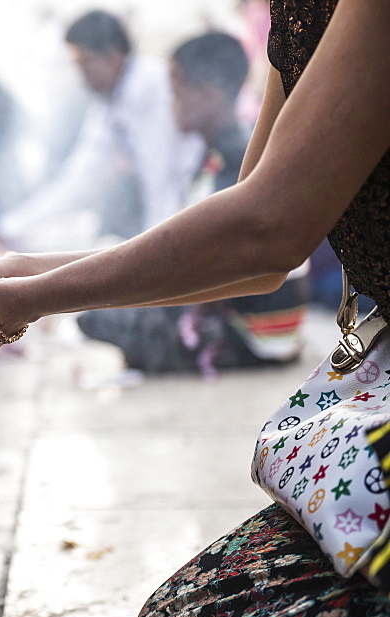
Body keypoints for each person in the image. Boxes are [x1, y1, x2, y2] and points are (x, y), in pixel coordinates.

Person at [0, 0, 390, 617]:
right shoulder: (298, 14)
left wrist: (13, 302)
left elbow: (264, 231)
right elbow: (246, 228)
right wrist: (17, 270)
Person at [76, 31, 312, 378]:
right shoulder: (223, 150)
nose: (171, 105)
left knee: (97, 317)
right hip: (263, 331)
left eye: (177, 92)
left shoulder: (233, 160)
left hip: (249, 337)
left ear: (208, 96)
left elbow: (212, 268)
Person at [0, 9, 202, 252]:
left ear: (113, 57)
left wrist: (159, 253)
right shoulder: (111, 101)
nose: (81, 77)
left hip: (193, 214)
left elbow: (165, 181)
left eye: (85, 64)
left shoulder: (151, 87)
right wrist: (9, 226)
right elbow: (81, 176)